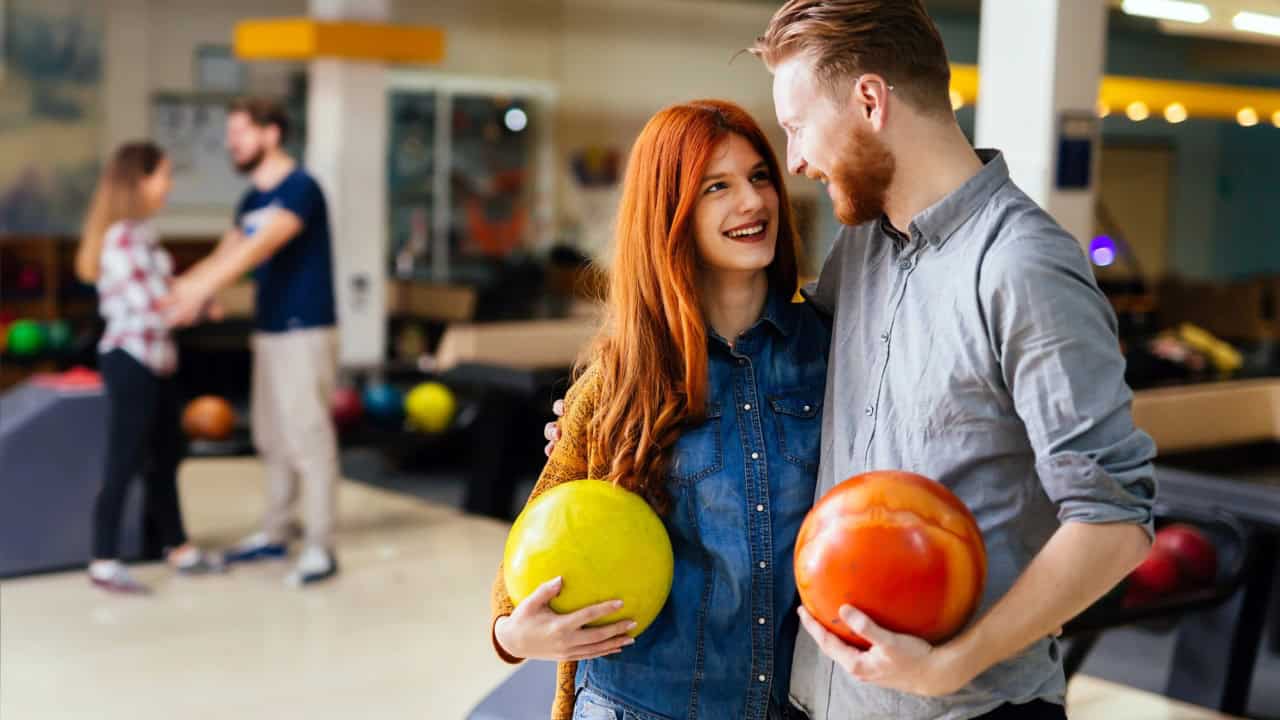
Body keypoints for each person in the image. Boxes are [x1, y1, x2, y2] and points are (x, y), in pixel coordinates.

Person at [750, 2, 1158, 718]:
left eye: (795, 127)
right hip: (825, 698)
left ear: (870, 100)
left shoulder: (1023, 266)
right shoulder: (866, 246)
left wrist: (948, 667)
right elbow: (770, 364)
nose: (796, 162)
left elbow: (1115, 521)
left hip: (968, 708)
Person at [491, 100, 828, 720]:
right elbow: (528, 562)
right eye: (715, 187)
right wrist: (516, 637)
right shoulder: (622, 377)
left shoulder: (830, 353)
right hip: (638, 707)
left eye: (758, 177)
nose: (752, 203)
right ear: (670, 213)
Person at [162, 97, 340, 587]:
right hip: (270, 328)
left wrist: (197, 291)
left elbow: (258, 249)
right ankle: (276, 532)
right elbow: (226, 252)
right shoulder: (250, 200)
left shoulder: (301, 189)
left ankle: (320, 547)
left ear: (271, 134)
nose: (230, 143)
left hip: (306, 328)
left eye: (239, 132)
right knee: (271, 436)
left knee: (308, 437)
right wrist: (174, 291)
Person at [77, 141, 225, 594]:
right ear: (139, 181)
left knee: (166, 455)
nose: (169, 184)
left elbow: (164, 294)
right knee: (124, 458)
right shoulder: (121, 238)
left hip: (157, 362)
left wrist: (193, 296)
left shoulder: (142, 234)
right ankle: (103, 558)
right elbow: (152, 307)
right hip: (131, 361)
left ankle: (177, 547)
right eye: (163, 174)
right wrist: (197, 304)